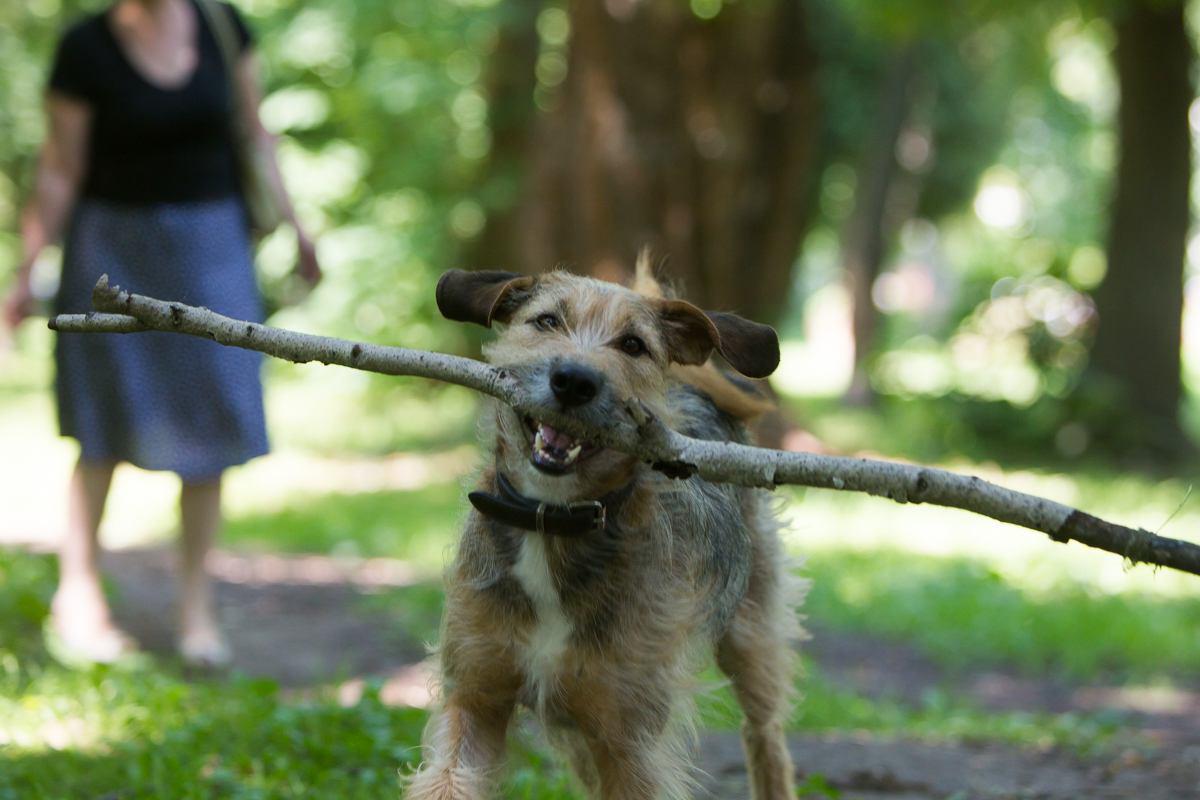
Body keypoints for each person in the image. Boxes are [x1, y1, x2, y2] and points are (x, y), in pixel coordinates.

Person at [1, 0, 320, 666]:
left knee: (215, 418)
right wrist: (26, 270)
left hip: (214, 250)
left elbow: (255, 134)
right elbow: (60, 168)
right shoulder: (85, 48)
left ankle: (194, 608)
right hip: (110, 252)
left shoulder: (224, 27)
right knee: (100, 424)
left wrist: (299, 228)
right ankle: (78, 597)